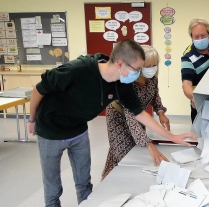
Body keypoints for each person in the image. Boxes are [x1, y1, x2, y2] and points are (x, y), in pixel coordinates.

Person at [27, 39, 197, 207]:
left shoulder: (122, 83)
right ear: (120, 64)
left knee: (84, 183)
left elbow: (139, 113)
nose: (138, 74)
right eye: (137, 69)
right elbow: (38, 89)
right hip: (50, 131)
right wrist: (32, 119)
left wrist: (171, 136)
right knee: (53, 189)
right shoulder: (77, 70)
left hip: (78, 130)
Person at [102, 45, 169, 179]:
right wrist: (149, 145)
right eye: (148, 66)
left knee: (136, 149)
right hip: (118, 116)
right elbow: (131, 117)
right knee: (122, 152)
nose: (152, 69)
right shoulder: (128, 82)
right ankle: (115, 181)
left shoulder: (152, 79)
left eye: (154, 65)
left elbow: (155, 96)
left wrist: (161, 113)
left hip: (139, 116)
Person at [181, 18, 209, 123]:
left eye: (203, 35)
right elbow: (186, 84)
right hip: (203, 103)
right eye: (196, 37)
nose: (200, 39)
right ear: (191, 38)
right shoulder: (187, 57)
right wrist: (194, 98)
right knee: (203, 136)